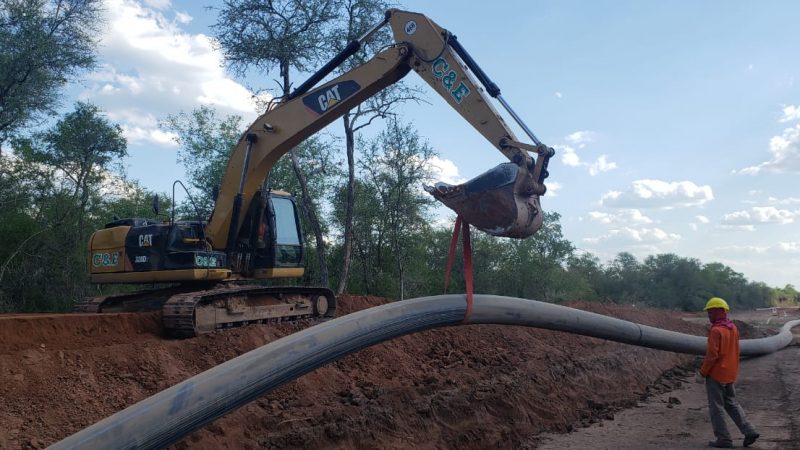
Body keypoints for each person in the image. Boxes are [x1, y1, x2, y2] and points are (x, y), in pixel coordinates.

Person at [695, 297, 760, 448]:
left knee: (716, 407)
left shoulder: (716, 330)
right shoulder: (733, 328)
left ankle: (723, 439)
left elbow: (712, 356)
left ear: (718, 312)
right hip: (730, 373)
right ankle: (749, 430)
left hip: (716, 374)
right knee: (731, 403)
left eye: (711, 312)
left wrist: (702, 373)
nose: (709, 315)